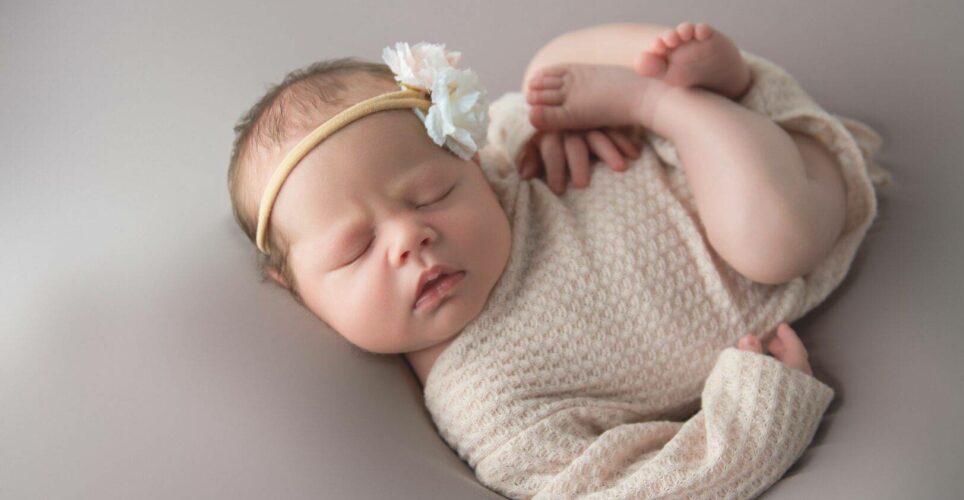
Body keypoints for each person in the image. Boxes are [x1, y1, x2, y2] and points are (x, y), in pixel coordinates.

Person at [226, 21, 891, 498]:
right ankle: (673, 98)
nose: (409, 239)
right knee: (769, 242)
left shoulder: (502, 164)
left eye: (433, 194)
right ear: (294, 288)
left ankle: (709, 83)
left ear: (470, 162)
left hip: (704, 137)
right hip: (781, 193)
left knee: (549, 75)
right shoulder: (492, 407)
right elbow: (633, 490)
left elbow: (531, 112)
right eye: (357, 248)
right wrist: (758, 414)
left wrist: (563, 121)